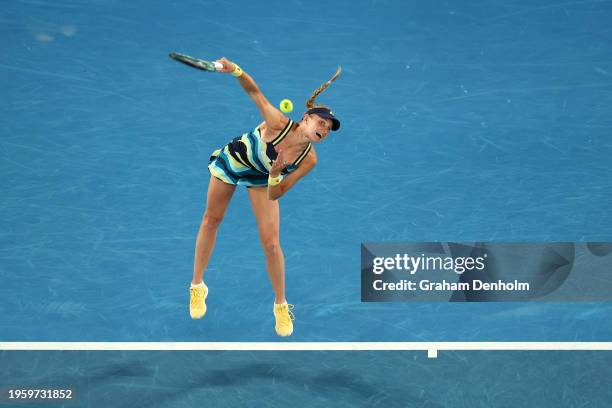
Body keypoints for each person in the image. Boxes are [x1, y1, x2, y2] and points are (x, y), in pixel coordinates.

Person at [189, 57, 341, 337]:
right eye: (321, 122)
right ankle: (197, 286)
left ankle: (280, 305)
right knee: (211, 220)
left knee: (271, 244)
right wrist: (235, 69)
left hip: (264, 177)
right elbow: (254, 92)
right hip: (235, 160)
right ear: (306, 119)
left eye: (328, 128)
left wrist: (274, 174)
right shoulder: (277, 122)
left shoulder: (309, 160)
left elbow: (276, 194)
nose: (324, 129)